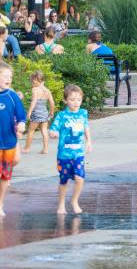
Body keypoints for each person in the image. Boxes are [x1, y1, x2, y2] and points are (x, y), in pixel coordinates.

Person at [49, 84, 92, 214]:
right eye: (72, 99)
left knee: (80, 178)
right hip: (64, 155)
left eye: (78, 99)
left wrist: (89, 141)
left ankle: (74, 201)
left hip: (78, 153)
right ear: (65, 100)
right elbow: (53, 129)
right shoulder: (62, 116)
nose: (76, 102)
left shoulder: (83, 113)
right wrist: (53, 134)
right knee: (64, 180)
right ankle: (61, 204)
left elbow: (86, 128)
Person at [0, 61, 26, 217]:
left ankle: (0, 203)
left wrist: (22, 124)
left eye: (10, 76)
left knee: (4, 176)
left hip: (9, 142)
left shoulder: (12, 96)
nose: (8, 78)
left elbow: (21, 115)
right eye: (4, 76)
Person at [23, 70, 55, 154]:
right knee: (44, 130)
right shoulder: (47, 90)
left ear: (37, 80)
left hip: (36, 113)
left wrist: (29, 112)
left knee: (31, 131)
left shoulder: (35, 90)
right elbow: (52, 102)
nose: (32, 83)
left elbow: (34, 102)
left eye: (33, 81)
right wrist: (51, 111)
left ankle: (27, 148)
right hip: (44, 113)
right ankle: (45, 149)